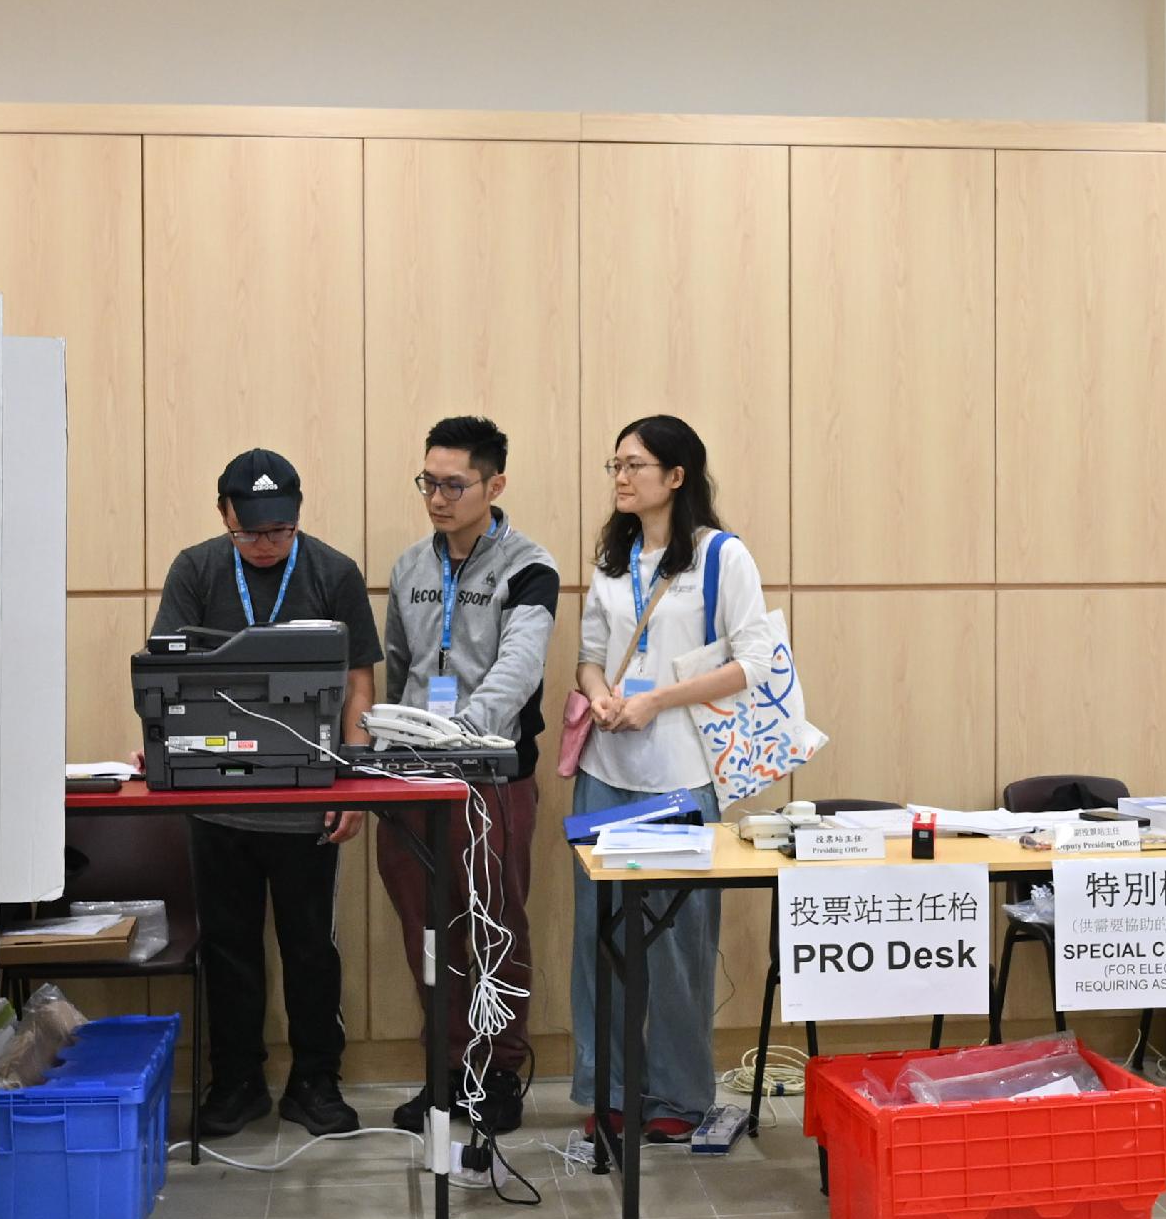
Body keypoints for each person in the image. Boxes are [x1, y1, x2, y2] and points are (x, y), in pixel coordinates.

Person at [155, 448, 377, 1144]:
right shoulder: (196, 569)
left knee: (311, 946)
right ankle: (236, 1081)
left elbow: (360, 681)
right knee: (228, 946)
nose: (264, 544)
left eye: (279, 530)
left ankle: (316, 1080)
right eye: (249, 531)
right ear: (223, 514)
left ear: (298, 517)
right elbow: (163, 671)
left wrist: (353, 780)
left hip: (308, 801)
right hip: (215, 800)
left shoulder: (333, 572)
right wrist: (161, 743)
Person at [568, 414, 760, 1158]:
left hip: (682, 779)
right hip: (604, 775)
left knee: (678, 947)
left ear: (677, 476)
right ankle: (608, 1094)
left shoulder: (721, 556)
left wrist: (656, 702)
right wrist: (601, 695)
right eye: (614, 465)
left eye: (635, 465)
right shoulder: (613, 561)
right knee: (599, 943)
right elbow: (590, 654)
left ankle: (680, 1094)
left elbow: (752, 663)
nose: (620, 477)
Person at [377, 415, 560, 1159]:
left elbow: (518, 670)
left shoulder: (529, 568)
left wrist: (456, 737)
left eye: (454, 485)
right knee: (427, 930)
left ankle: (499, 1070)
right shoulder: (409, 567)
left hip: (489, 778)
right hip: (410, 781)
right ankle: (446, 1069)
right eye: (429, 482)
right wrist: (395, 743)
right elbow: (399, 669)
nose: (437, 498)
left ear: (495, 484)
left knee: (495, 927)